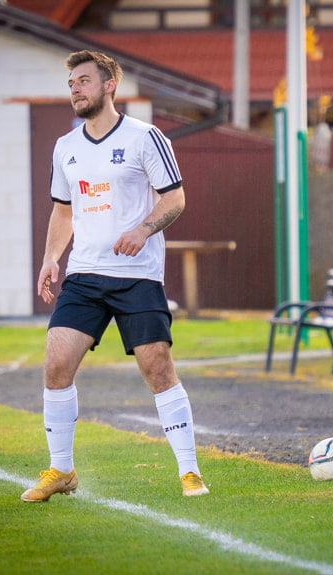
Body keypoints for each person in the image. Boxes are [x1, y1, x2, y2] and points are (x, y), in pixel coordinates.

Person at [21, 50, 208, 502]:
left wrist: (143, 230)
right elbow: (63, 210)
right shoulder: (65, 147)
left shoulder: (146, 137)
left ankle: (190, 473)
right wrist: (51, 258)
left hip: (137, 275)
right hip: (84, 275)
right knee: (56, 365)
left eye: (83, 80)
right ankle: (61, 471)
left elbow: (175, 198)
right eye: (71, 83)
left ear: (109, 86)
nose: (75, 89)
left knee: (157, 367)